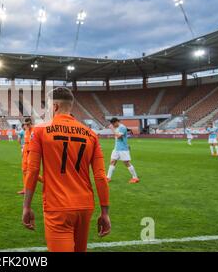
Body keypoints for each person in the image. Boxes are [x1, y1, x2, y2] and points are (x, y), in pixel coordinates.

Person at [22, 87, 110, 252]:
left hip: (58, 207)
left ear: (54, 107)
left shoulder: (40, 131)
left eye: (48, 107)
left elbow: (32, 170)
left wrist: (26, 206)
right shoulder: (91, 134)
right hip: (84, 207)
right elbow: (100, 177)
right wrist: (105, 212)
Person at [106, 118, 140, 183]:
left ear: (116, 122)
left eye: (113, 124)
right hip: (116, 148)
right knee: (112, 161)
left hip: (122, 149)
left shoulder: (122, 127)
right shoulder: (117, 127)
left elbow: (119, 136)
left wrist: (112, 129)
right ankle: (108, 177)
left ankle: (135, 178)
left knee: (126, 163)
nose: (112, 125)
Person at [17, 118, 33, 195]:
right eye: (25, 124)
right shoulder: (26, 131)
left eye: (27, 124)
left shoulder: (34, 131)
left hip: (31, 152)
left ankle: (45, 181)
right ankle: (25, 189)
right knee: (24, 171)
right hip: (25, 151)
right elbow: (25, 142)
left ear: (31, 123)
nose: (26, 126)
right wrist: (23, 150)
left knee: (30, 172)